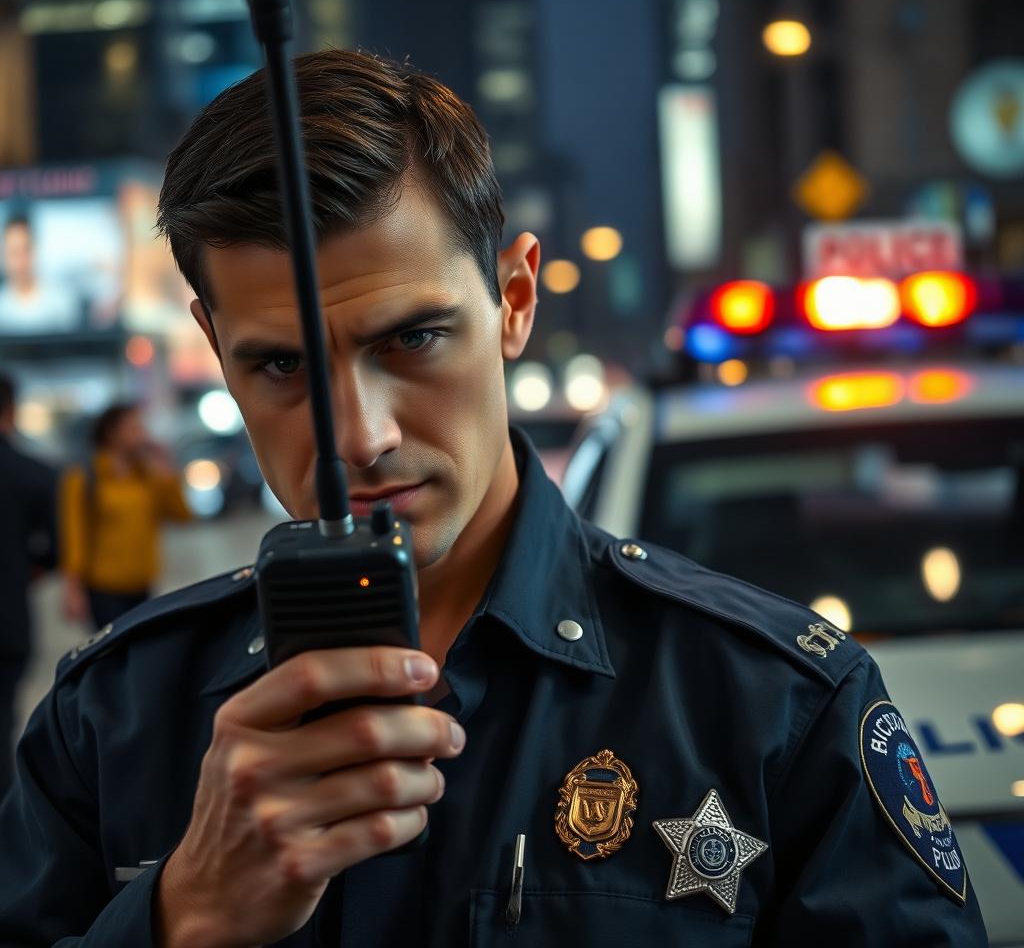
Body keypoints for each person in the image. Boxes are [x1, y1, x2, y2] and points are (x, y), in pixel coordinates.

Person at [0, 51, 988, 946]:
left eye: (411, 339)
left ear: (514, 300)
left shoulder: (772, 706)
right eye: (281, 365)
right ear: (215, 350)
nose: (358, 435)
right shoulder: (108, 725)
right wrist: (179, 918)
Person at [59, 403, 193, 631]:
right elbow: (74, 536)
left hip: (142, 583)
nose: (142, 433)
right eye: (134, 427)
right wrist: (73, 589)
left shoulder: (146, 475)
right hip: (104, 588)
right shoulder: (84, 476)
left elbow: (183, 516)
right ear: (112, 433)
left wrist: (166, 468)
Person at [0, 372, 57, 799]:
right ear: (11, 409)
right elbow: (57, 546)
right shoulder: (33, 473)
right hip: (7, 617)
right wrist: (25, 572)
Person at [0, 213, 79, 334]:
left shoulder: (61, 301)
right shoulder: (2, 306)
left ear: (35, 249)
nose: (21, 261)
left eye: (25, 250)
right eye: (14, 252)